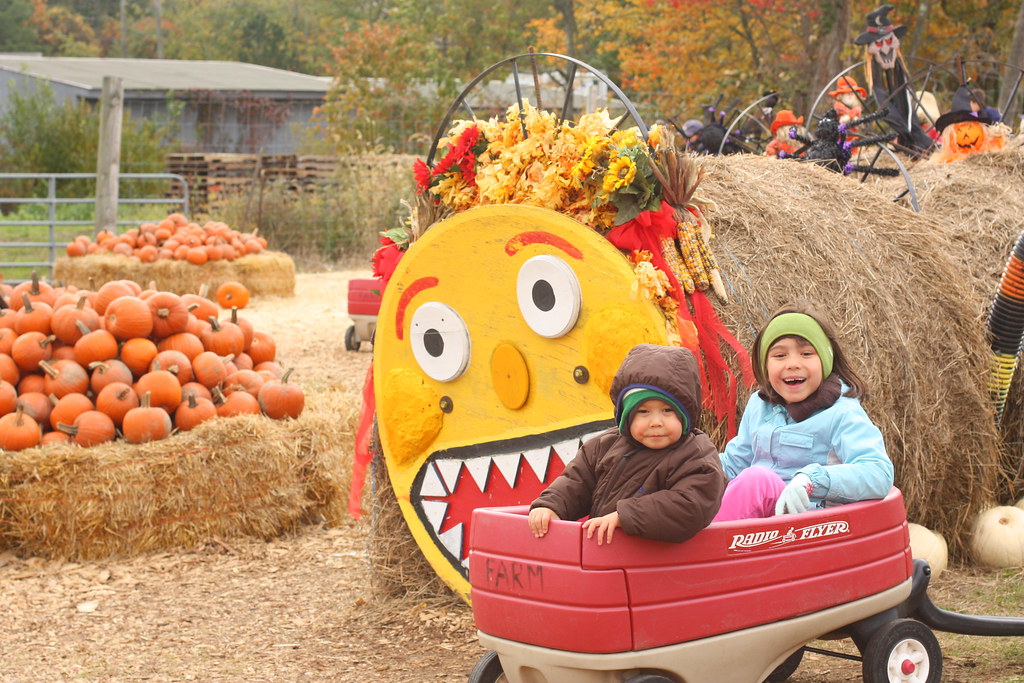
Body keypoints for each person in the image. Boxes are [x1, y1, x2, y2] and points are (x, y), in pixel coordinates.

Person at [528, 344, 725, 545]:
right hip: (604, 553)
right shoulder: (603, 446)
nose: (656, 422)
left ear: (686, 415)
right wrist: (551, 506)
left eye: (667, 410)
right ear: (626, 416)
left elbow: (690, 506)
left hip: (656, 561)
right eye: (643, 412)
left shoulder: (696, 455)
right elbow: (576, 482)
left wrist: (626, 516)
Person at [714, 301, 893, 521]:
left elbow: (878, 472)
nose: (793, 363)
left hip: (808, 528)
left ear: (825, 361)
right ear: (765, 366)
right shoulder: (759, 406)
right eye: (780, 356)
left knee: (758, 479)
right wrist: (689, 468)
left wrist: (812, 480)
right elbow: (736, 463)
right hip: (757, 529)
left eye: (806, 353)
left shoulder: (841, 413)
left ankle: (702, 549)